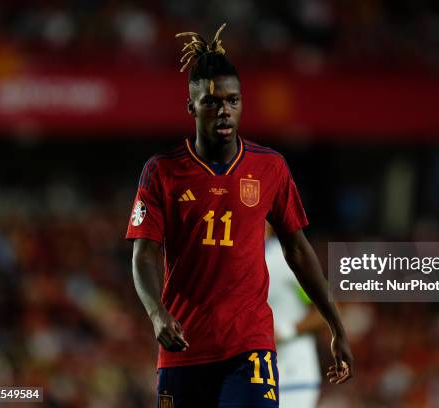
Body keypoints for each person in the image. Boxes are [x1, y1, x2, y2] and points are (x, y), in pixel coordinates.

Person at [126, 23, 353, 408]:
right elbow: (144, 253)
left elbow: (297, 249)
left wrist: (335, 326)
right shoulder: (162, 171)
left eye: (233, 101)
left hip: (250, 346)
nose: (224, 111)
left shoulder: (270, 168)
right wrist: (157, 314)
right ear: (191, 107)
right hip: (185, 345)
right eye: (212, 102)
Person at [266, 225, 326, 408]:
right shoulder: (229, 259)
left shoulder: (287, 258)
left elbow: (328, 311)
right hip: (251, 375)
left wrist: (285, 331)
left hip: (292, 376)